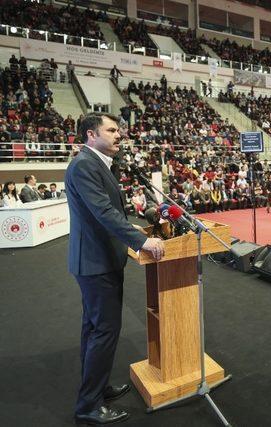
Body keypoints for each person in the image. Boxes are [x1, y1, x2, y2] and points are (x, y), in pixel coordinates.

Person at [65, 113, 164, 424]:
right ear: (92, 135)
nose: (119, 134)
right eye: (111, 130)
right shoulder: (84, 165)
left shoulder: (95, 163)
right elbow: (103, 211)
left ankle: (96, 389)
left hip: (100, 259)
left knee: (95, 330)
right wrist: (141, 241)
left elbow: (107, 211)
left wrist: (128, 227)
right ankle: (88, 406)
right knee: (104, 331)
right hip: (95, 263)